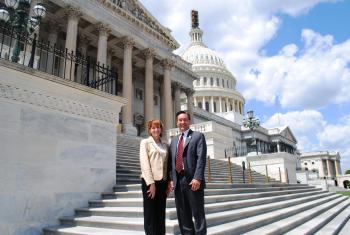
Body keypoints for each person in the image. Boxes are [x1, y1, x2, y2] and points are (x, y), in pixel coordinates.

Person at [169, 111, 207, 235]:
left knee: (198, 214)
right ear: (177, 122)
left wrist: (197, 178)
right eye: (180, 120)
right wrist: (171, 179)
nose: (182, 122)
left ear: (189, 121)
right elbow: (171, 162)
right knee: (183, 215)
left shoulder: (197, 136)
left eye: (185, 120)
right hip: (178, 182)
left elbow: (201, 158)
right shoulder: (174, 140)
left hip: (193, 181)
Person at [139, 119, 169, 235]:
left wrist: (168, 183)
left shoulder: (165, 145)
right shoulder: (145, 142)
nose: (156, 130)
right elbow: (144, 163)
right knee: (150, 214)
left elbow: (167, 165)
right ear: (150, 130)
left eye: (158, 127)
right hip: (149, 182)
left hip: (162, 182)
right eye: (153, 128)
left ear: (161, 129)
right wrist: (151, 183)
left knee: (161, 213)